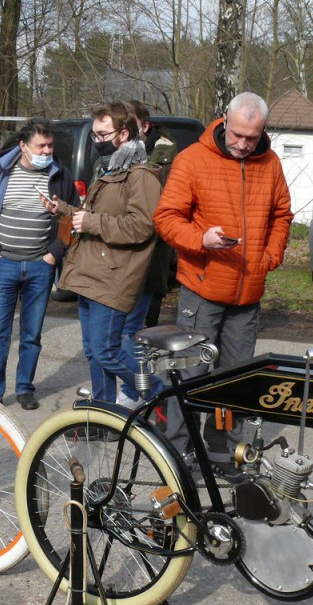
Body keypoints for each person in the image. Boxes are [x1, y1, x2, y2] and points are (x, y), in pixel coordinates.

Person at [154, 91, 293, 465]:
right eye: (237, 135)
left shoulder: (271, 163)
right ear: (225, 121)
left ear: (263, 131)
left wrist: (270, 256)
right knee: (190, 372)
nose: (243, 144)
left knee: (234, 380)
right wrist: (201, 240)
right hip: (202, 290)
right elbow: (166, 217)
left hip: (247, 294)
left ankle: (220, 448)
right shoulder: (192, 160)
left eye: (252, 137)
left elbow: (282, 215)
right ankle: (177, 450)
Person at [45, 102, 162, 405]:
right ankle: (104, 414)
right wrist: (65, 210)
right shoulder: (110, 169)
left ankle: (164, 396)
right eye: (94, 135)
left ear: (124, 134)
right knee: (94, 353)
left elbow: (142, 227)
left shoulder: (140, 175)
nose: (96, 141)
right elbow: (93, 216)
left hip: (114, 277)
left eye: (102, 134)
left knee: (107, 352)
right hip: (90, 273)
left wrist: (92, 221)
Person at [0, 117, 79, 409]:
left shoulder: (60, 175)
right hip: (2, 264)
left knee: (31, 334)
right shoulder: (0, 172)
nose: (46, 152)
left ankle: (25, 388)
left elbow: (72, 217)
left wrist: (54, 252)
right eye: (40, 146)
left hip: (40, 267)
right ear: (23, 146)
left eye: (50, 146)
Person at [114, 99, 178, 409]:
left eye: (127, 126)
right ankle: (138, 390)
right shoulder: (121, 155)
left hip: (148, 257)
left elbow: (152, 209)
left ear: (143, 125)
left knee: (134, 331)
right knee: (127, 331)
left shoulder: (162, 154)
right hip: (122, 258)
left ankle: (142, 391)